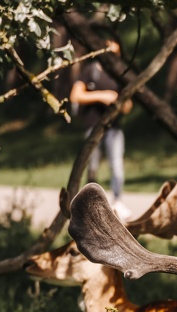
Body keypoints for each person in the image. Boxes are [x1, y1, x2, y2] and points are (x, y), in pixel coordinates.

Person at [70, 41, 133, 219]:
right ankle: (90, 204)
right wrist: (101, 96)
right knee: (92, 166)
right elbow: (75, 95)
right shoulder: (91, 70)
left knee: (117, 165)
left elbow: (128, 106)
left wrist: (119, 102)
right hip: (92, 126)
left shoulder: (120, 74)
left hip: (114, 127)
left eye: (116, 53)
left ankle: (118, 201)